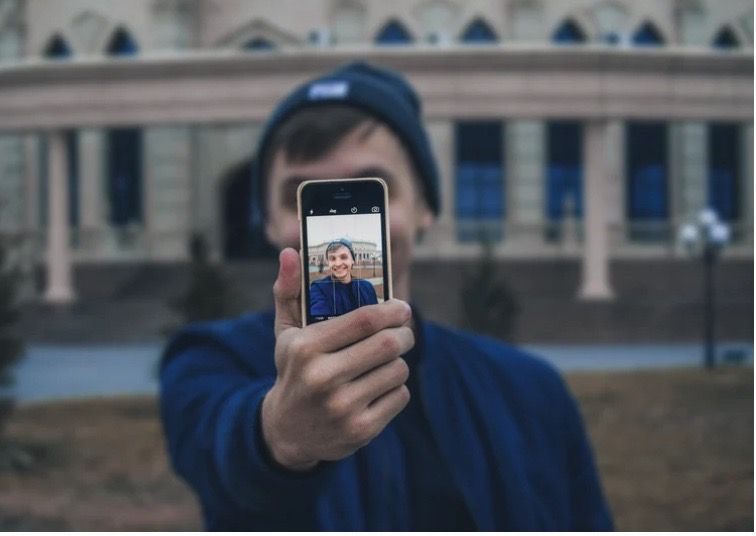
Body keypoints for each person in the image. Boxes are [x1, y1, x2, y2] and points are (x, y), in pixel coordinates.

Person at [159, 62, 614, 531]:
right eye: (303, 194)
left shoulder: (530, 391)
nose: (341, 231)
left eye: (371, 189)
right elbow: (217, 445)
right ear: (271, 224)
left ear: (426, 207)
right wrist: (278, 434)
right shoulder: (206, 361)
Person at [310, 238, 379, 317]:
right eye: (332, 258)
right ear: (328, 262)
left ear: (353, 260)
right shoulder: (318, 288)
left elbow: (376, 317)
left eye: (343, 257)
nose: (338, 263)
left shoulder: (367, 287)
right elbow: (319, 322)